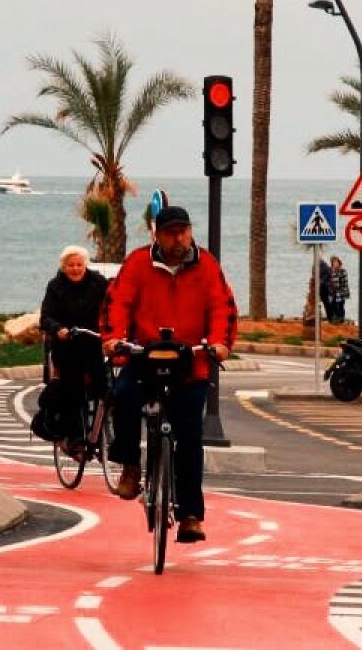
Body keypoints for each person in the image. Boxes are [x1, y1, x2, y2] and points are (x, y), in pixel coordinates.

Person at [100, 205, 237, 544]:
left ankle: (191, 515)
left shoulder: (207, 266)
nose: (178, 238)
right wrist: (114, 338)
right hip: (145, 355)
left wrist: (219, 344)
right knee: (124, 396)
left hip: (190, 361)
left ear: (190, 231)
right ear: (157, 235)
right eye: (170, 232)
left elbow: (222, 307)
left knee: (190, 437)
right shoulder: (137, 263)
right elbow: (117, 302)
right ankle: (131, 466)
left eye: (183, 231)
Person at [36, 245, 109, 447]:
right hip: (66, 345)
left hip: (93, 342)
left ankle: (103, 428)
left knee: (105, 385)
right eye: (71, 265)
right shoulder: (55, 286)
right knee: (73, 388)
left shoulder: (99, 283)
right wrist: (58, 328)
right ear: (63, 266)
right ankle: (76, 437)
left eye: (79, 264)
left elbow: (111, 306)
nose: (75, 269)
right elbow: (45, 317)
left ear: (86, 264)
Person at [324, 256, 350, 323]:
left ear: (339, 262)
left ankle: (341, 319)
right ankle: (335, 318)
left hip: (341, 291)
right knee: (333, 304)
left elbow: (344, 281)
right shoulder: (330, 270)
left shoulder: (342, 271)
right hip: (332, 291)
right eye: (333, 262)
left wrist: (340, 289)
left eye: (336, 262)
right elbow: (328, 279)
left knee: (340, 305)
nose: (335, 263)